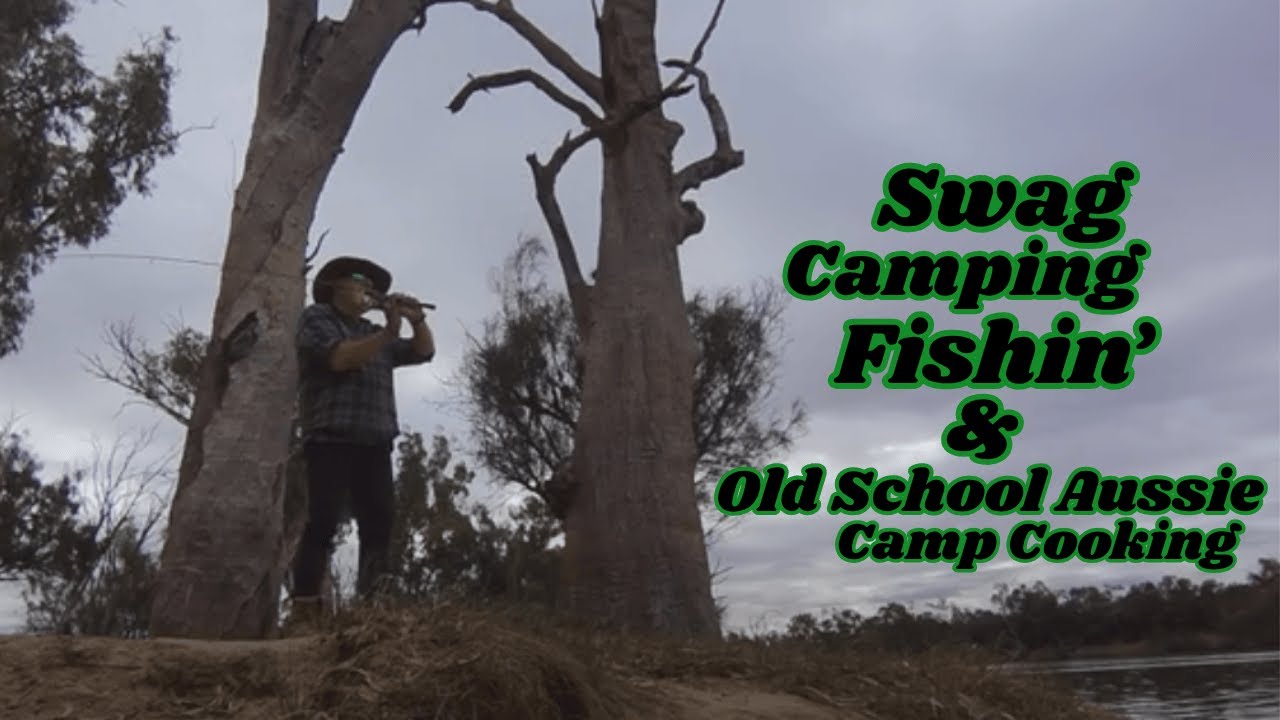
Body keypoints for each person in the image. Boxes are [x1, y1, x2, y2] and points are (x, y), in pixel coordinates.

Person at [288, 255, 435, 624]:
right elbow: (339, 359)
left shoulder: (373, 330)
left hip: (376, 440)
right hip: (331, 436)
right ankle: (305, 611)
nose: (368, 287)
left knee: (379, 523)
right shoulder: (317, 319)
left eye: (373, 284)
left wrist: (417, 321)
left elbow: (424, 351)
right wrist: (387, 333)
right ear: (335, 286)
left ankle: (373, 612)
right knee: (322, 522)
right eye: (358, 279)